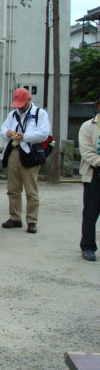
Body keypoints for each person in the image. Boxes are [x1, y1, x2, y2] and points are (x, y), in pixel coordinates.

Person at [0, 88, 51, 234]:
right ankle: (15, 217)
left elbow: (43, 134)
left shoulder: (40, 113)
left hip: (30, 153)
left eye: (22, 104)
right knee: (13, 189)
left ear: (29, 100)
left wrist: (25, 136)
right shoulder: (12, 114)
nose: (20, 107)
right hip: (14, 152)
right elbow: (3, 129)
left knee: (31, 190)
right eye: (17, 104)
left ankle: (32, 220)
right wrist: (8, 133)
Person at [78, 96, 100, 262]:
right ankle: (88, 246)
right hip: (94, 172)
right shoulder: (88, 126)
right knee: (90, 212)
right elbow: (86, 152)